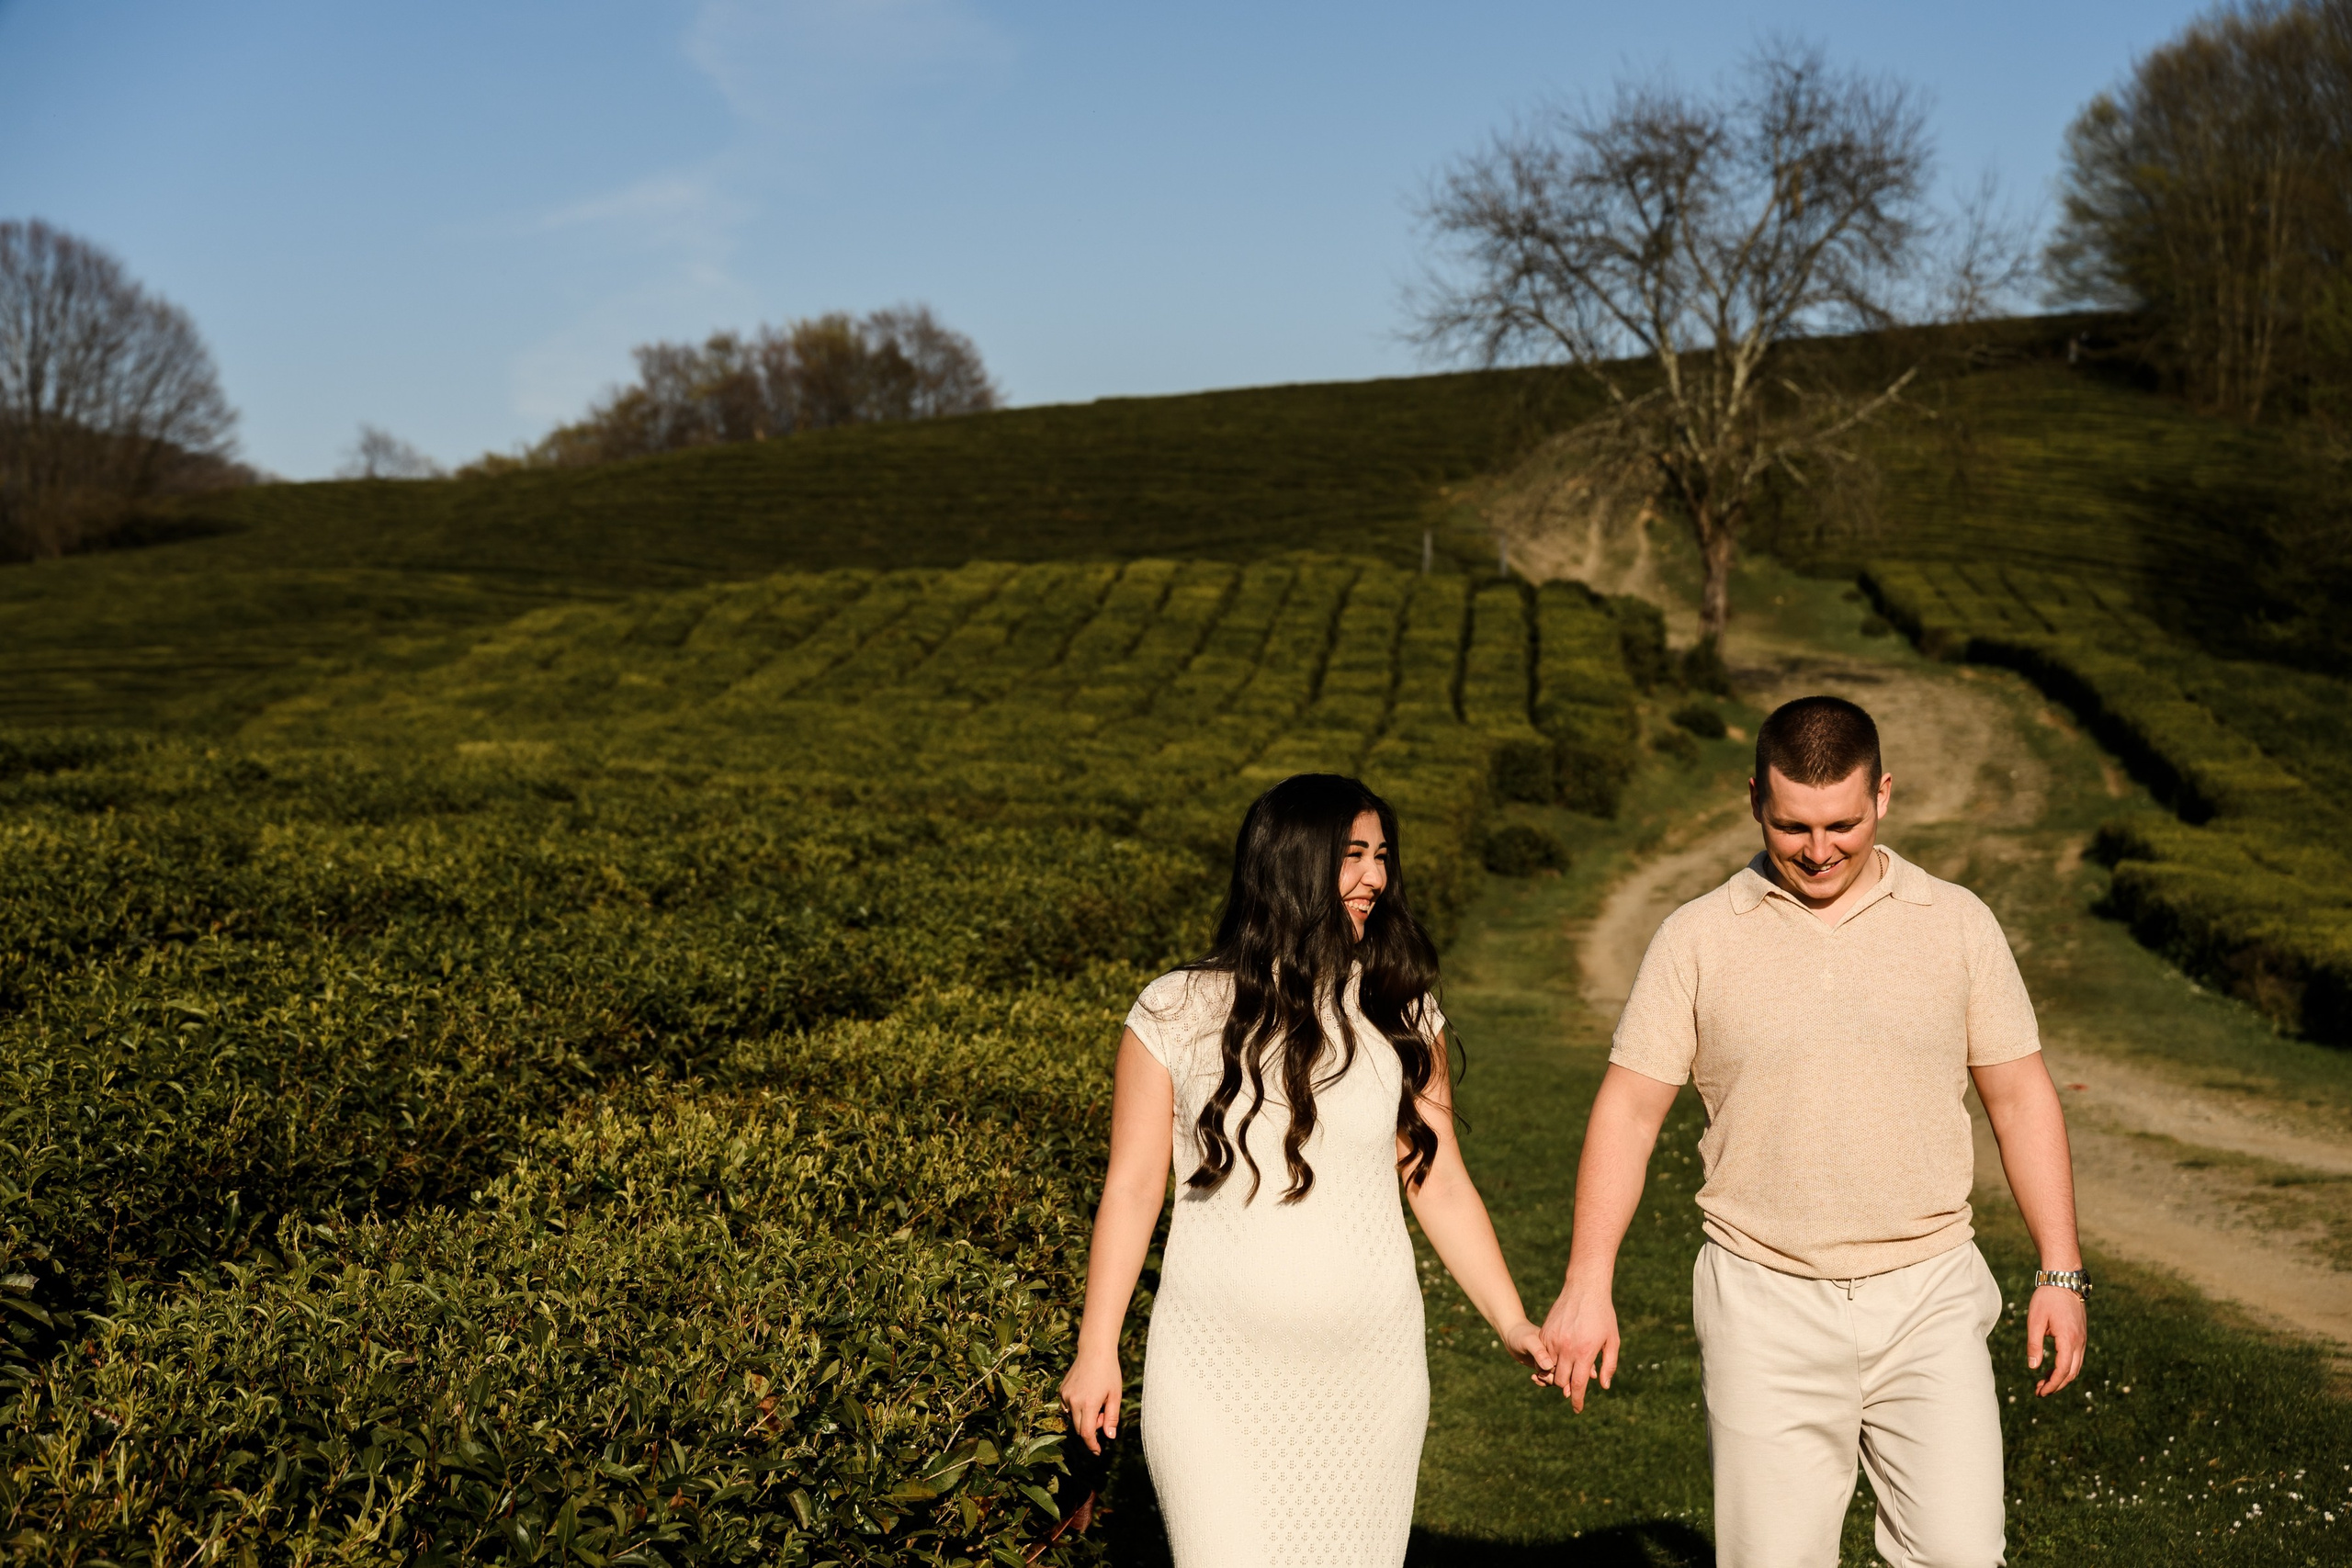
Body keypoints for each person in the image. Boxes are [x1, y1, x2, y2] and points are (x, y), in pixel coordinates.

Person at [1537, 695, 2088, 1568]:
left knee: (1958, 1555)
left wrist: (2060, 1269)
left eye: (1843, 822)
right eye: (1794, 825)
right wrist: (1587, 1281)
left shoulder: (1957, 923)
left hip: (1931, 1294)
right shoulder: (1696, 938)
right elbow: (1629, 1112)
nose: (1819, 849)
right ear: (1755, 797)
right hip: (1765, 1300)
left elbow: (2019, 1096)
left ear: (1885, 797)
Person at [1059, 773, 1552, 1568]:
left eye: (1382, 856)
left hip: (1370, 1375)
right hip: (1212, 1372)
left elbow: (1440, 1180)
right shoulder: (1173, 1011)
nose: (1376, 879)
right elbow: (1132, 1187)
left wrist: (1513, 1321)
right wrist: (1097, 1347)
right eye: (1353, 855)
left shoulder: (1401, 1010)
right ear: (1292, 864)